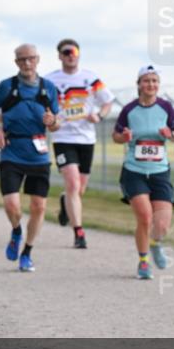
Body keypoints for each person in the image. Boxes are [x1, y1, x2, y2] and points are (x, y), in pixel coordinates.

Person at [0, 43, 61, 272]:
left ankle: (27, 252)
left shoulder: (49, 88)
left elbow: (56, 123)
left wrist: (52, 122)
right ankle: (16, 231)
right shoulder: (7, 86)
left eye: (31, 58)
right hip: (12, 151)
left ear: (38, 59)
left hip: (38, 154)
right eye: (22, 59)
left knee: (38, 207)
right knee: (12, 205)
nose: (27, 63)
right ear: (16, 62)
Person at [112, 65, 174, 280]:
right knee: (145, 217)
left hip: (160, 171)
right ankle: (143, 261)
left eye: (154, 81)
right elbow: (115, 135)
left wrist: (171, 134)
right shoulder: (129, 110)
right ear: (139, 84)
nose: (151, 84)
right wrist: (124, 137)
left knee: (162, 224)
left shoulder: (166, 108)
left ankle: (155, 243)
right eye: (146, 80)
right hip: (134, 170)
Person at [45, 38, 114, 249]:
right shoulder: (50, 80)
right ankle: (79, 233)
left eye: (73, 52)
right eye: (66, 52)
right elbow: (41, 103)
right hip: (62, 138)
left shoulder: (90, 78)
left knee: (79, 189)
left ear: (79, 54)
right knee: (73, 184)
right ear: (59, 56)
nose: (70, 56)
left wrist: (99, 115)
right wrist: (50, 118)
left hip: (86, 138)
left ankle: (65, 201)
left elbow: (107, 101)